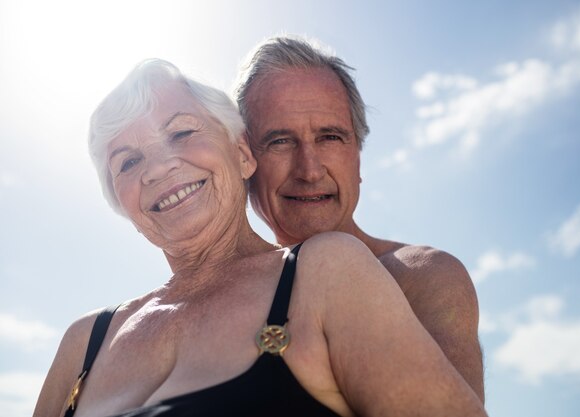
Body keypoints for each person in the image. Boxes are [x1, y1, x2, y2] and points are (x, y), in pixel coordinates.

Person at [33, 59, 486, 417]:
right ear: (121, 203)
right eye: (127, 163)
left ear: (241, 154)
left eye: (182, 132)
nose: (157, 168)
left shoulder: (330, 270)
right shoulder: (83, 341)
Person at [235, 35, 485, 401]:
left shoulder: (421, 279)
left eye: (330, 137)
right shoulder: (223, 300)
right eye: (280, 141)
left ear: (358, 158)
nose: (309, 170)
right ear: (244, 162)